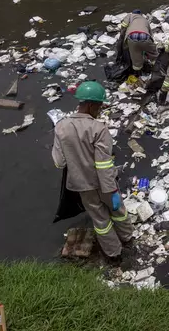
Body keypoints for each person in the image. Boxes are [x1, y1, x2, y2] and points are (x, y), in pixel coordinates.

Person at [51, 81, 132, 263]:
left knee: (100, 220)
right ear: (90, 105)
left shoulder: (61, 127)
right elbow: (103, 165)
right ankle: (127, 238)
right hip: (104, 184)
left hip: (82, 185)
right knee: (118, 211)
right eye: (99, 106)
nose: (100, 110)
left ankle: (114, 254)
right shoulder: (98, 129)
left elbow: (59, 162)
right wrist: (111, 191)